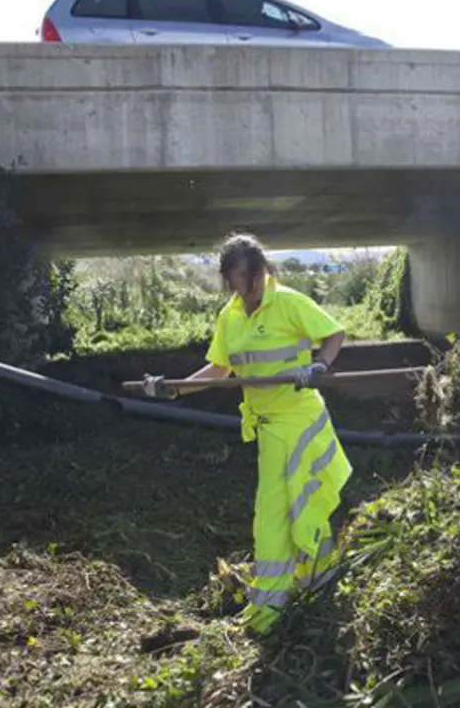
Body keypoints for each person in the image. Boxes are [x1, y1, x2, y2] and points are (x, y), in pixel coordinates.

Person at [140, 233, 353, 635]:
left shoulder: (288, 302)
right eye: (237, 278)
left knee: (273, 518)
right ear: (227, 278)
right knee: (300, 505)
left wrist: (320, 365)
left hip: (300, 421)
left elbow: (335, 333)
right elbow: (219, 371)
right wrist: (172, 387)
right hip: (267, 428)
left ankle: (268, 615)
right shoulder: (230, 318)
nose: (246, 286)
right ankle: (319, 586)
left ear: (261, 270)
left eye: (250, 277)